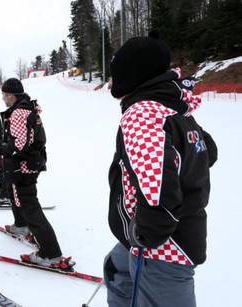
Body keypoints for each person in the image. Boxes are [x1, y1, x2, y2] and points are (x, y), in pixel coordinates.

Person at [104, 32, 218, 307]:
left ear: (131, 75)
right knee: (116, 268)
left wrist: (147, 234)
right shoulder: (170, 109)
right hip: (170, 233)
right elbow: (208, 152)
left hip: (162, 247)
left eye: (115, 73)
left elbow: (158, 196)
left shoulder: (142, 114)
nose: (110, 81)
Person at [0, 78, 66, 268]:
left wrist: (0, 148)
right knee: (19, 196)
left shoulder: (18, 113)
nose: (3, 99)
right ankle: (22, 226)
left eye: (4, 95)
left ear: (11, 95)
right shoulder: (28, 108)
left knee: (30, 206)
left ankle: (51, 253)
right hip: (29, 163)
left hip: (23, 165)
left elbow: (19, 145)